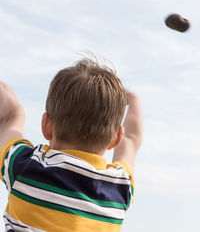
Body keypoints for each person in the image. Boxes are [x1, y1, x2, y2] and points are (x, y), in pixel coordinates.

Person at [0, 57, 142, 232]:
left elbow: (10, 116)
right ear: (116, 137)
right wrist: (133, 101)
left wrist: (16, 111)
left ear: (46, 125)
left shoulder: (25, 166)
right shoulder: (119, 188)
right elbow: (131, 140)